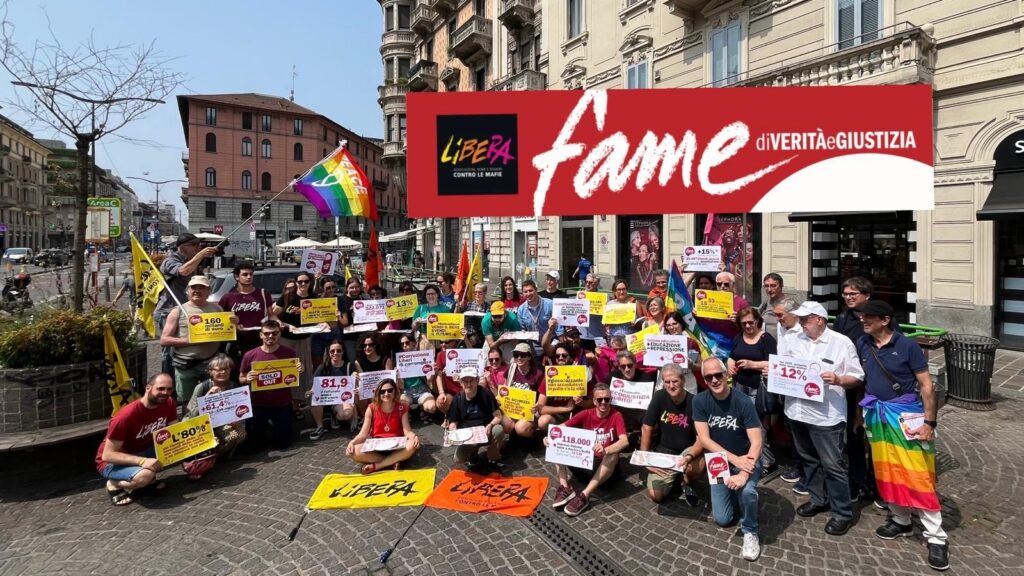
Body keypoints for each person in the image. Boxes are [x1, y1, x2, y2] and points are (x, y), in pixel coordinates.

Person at [855, 300, 949, 571]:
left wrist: (930, 422)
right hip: (877, 415)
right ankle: (901, 520)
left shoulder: (907, 346)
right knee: (886, 471)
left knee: (917, 473)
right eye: (863, 317)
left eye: (869, 317)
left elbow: (927, 386)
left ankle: (936, 536)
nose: (864, 320)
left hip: (906, 416)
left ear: (885, 320)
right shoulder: (864, 343)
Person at [784, 301, 864, 536]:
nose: (800, 323)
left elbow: (857, 376)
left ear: (820, 319)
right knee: (809, 460)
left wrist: (839, 380)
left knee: (833, 465)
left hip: (826, 416)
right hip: (797, 411)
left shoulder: (841, 343)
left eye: (805, 319)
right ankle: (819, 499)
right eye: (799, 319)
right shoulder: (793, 339)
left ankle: (842, 512)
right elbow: (784, 366)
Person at [694, 357, 764, 562]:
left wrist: (743, 472)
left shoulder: (743, 401)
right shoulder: (700, 401)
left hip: (747, 458)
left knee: (748, 490)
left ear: (726, 375)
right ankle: (736, 494)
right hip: (719, 462)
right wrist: (733, 460)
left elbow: (757, 441)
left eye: (718, 375)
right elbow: (704, 440)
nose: (714, 380)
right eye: (709, 377)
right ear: (704, 380)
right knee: (723, 519)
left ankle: (751, 530)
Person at [546, 383, 629, 516]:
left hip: (605, 471)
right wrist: (549, 437)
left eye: (607, 399)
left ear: (611, 400)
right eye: (599, 400)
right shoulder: (586, 413)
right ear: (594, 401)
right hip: (586, 462)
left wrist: (606, 449)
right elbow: (562, 427)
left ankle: (585, 495)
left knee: (613, 455)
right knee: (557, 442)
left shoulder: (616, 415)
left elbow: (624, 440)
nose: (603, 403)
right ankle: (565, 487)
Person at [95, 373, 177, 506]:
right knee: (144, 477)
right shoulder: (126, 416)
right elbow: (107, 455)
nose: (165, 393)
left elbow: (174, 429)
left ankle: (146, 477)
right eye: (160, 389)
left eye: (169, 389)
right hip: (112, 462)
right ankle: (113, 484)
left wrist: (202, 440)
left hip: (144, 450)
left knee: (179, 452)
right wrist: (143, 461)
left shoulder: (169, 402)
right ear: (148, 388)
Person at [832, 276, 877, 501]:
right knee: (854, 433)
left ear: (866, 296)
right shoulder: (843, 318)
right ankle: (857, 479)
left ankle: (876, 481)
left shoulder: (877, 318)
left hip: (872, 386)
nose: (848, 297)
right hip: (848, 384)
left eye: (853, 294)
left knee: (875, 436)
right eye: (846, 294)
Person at [160, 276, 231, 403]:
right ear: (188, 290)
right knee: (188, 402)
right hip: (185, 367)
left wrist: (233, 325)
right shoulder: (178, 311)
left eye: (202, 287)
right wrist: (190, 340)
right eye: (194, 287)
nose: (197, 291)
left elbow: (225, 333)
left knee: (213, 400)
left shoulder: (217, 309)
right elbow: (164, 340)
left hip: (210, 364)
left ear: (208, 291)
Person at [157, 233, 219, 375]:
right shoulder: (170, 260)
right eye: (196, 246)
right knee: (170, 350)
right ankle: (169, 383)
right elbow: (183, 271)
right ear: (184, 248)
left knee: (189, 347)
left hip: (187, 311)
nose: (199, 248)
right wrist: (200, 255)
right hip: (170, 310)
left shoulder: (193, 260)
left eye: (200, 246)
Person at [641, 364, 703, 505]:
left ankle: (687, 482)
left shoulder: (695, 402)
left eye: (675, 381)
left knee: (695, 466)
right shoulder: (659, 396)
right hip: (665, 451)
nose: (671, 386)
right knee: (656, 495)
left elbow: (701, 439)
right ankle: (675, 477)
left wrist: (689, 456)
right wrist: (645, 458)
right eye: (667, 382)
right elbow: (646, 427)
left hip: (687, 451)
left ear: (683, 381)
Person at [240, 319, 303, 450]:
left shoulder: (289, 353)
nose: (270, 336)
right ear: (261, 335)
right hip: (258, 404)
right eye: (267, 333)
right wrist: (247, 378)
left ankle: (276, 429)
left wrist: (300, 369)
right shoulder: (250, 355)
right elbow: (241, 378)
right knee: (254, 447)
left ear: (279, 334)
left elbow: (293, 375)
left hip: (282, 404)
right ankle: (264, 429)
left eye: (274, 333)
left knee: (284, 444)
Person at [727, 307, 778, 467]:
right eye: (744, 323)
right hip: (739, 385)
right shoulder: (738, 336)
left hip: (758, 388)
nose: (748, 326)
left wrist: (752, 364)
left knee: (756, 424)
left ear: (757, 321)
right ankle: (748, 454)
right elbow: (731, 356)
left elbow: (774, 362)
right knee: (741, 422)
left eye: (751, 322)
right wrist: (730, 364)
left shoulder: (766, 339)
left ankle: (767, 461)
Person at [346, 378, 420, 474]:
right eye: (382, 392)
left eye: (390, 390)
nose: (386, 394)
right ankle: (393, 460)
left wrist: (414, 437)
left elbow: (407, 431)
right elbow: (363, 434)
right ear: (378, 393)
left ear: (395, 391)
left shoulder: (402, 407)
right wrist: (352, 442)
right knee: (353, 451)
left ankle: (378, 465)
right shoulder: (371, 408)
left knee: (411, 445)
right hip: (377, 446)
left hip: (397, 445)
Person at [185, 353, 247, 459]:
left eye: (226, 369)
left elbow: (241, 414)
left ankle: (218, 453)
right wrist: (207, 398)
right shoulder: (202, 387)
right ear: (210, 371)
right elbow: (192, 415)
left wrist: (237, 423)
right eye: (219, 369)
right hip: (200, 424)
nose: (223, 372)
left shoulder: (235, 388)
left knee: (240, 433)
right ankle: (207, 453)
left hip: (222, 424)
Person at [219, 261, 275, 371]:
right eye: (245, 274)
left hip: (258, 339)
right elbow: (220, 320)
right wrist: (232, 323)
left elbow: (271, 315)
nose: (249, 277)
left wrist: (280, 324)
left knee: (258, 370)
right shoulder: (228, 297)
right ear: (236, 277)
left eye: (251, 274)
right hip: (237, 341)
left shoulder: (263, 293)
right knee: (239, 371)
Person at [447, 367, 505, 468]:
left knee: (498, 429)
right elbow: (453, 421)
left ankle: (493, 454)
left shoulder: (486, 394)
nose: (469, 384)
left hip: (485, 430)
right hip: (468, 436)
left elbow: (498, 416)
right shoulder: (458, 398)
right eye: (465, 381)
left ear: (477, 380)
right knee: (459, 458)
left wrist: (490, 425)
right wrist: (453, 429)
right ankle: (473, 456)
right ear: (460, 383)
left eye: (472, 381)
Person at [272, 272, 317, 402]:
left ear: (310, 283)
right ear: (296, 282)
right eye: (300, 281)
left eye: (306, 281)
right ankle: (285, 399)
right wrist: (285, 325)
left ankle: (298, 401)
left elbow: (318, 318)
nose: (303, 284)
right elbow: (273, 315)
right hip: (286, 338)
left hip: (305, 339)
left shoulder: (314, 298)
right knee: (286, 368)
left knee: (303, 370)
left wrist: (323, 323)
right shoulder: (287, 297)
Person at [307, 340, 356, 441]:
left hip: (341, 400)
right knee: (314, 396)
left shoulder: (349, 366)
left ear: (343, 352)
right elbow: (315, 385)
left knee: (346, 414)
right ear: (328, 353)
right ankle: (320, 426)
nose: (335, 353)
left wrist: (356, 378)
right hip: (324, 400)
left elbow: (354, 387)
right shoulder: (322, 367)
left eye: (338, 350)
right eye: (332, 351)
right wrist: (311, 391)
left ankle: (335, 416)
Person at [501, 342, 545, 439]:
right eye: (516, 355)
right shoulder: (511, 369)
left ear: (529, 357)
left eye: (523, 355)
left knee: (521, 428)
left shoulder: (538, 374)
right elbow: (505, 387)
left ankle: (531, 437)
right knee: (505, 425)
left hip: (529, 412)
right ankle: (515, 439)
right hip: (513, 409)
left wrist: (537, 406)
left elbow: (542, 397)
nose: (519, 358)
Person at [396, 333, 437, 421]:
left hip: (422, 390)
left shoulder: (423, 357)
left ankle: (422, 408)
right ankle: (409, 411)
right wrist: (398, 375)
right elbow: (400, 386)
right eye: (402, 344)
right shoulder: (400, 361)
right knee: (400, 410)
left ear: (414, 343)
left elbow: (429, 380)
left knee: (432, 408)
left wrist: (433, 371)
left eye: (407, 343)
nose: (404, 345)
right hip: (407, 392)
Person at [699, 271, 749, 340]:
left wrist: (738, 320)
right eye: (719, 284)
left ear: (733, 285)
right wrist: (696, 314)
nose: (722, 286)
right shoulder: (709, 300)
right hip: (713, 343)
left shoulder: (742, 303)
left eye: (726, 284)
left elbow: (749, 325)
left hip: (733, 342)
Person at [516, 279, 554, 356]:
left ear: (536, 290)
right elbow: (522, 328)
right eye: (525, 292)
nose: (528, 293)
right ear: (522, 294)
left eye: (531, 290)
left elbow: (558, 326)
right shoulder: (521, 309)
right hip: (533, 345)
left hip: (551, 342)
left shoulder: (550, 304)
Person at [758, 273, 785, 337]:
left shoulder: (789, 305)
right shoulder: (766, 303)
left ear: (781, 286)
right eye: (766, 286)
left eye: (773, 286)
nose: (769, 289)